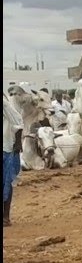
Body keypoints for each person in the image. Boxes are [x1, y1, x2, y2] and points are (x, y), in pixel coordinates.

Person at [3, 92, 23, 227]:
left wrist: (17, 145)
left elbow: (19, 122)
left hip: (6, 148)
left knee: (7, 182)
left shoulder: (5, 104)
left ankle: (5, 216)